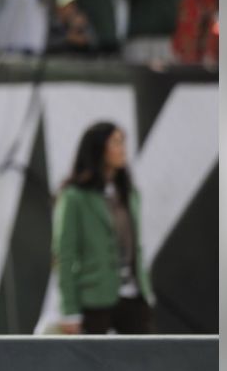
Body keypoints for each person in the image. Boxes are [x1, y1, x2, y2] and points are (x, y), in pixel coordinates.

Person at [52, 122, 153, 335]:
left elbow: (136, 245)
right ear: (99, 148)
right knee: (95, 365)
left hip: (133, 295)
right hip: (94, 298)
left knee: (141, 362)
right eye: (115, 142)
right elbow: (65, 254)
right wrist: (69, 309)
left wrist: (145, 289)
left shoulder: (129, 193)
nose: (122, 149)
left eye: (122, 142)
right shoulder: (74, 196)